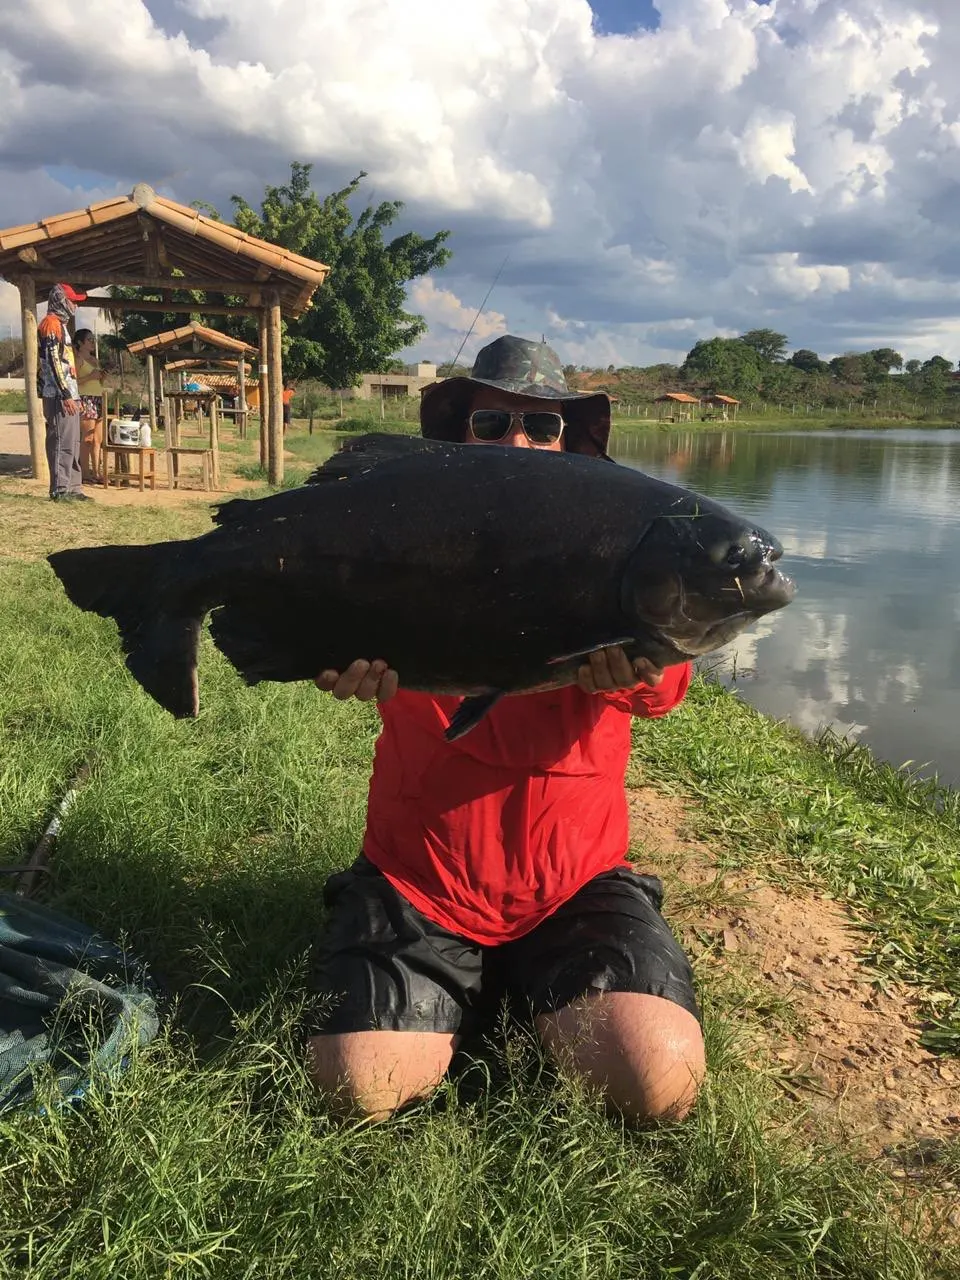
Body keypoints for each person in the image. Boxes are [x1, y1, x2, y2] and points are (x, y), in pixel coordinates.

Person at [305, 336, 704, 1125]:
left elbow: (668, 689)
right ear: (460, 438)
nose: (517, 442)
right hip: (424, 876)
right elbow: (329, 611)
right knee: (357, 1089)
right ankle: (441, 967)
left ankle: (535, 977)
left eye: (541, 426)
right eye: (492, 423)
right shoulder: (406, 532)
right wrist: (324, 650)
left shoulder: (612, 540)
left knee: (661, 1082)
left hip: (574, 878)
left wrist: (640, 668)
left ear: (569, 440)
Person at [38, 284, 91, 501]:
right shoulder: (50, 324)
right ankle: (60, 489)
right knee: (61, 441)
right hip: (58, 396)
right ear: (61, 301)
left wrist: (75, 395)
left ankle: (73, 487)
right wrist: (66, 394)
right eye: (72, 301)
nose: (75, 306)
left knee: (73, 443)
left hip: (70, 394)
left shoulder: (62, 325)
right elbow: (53, 362)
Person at [74, 328, 107, 483]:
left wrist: (101, 377)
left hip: (98, 398)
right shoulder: (78, 359)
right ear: (80, 343)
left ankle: (96, 472)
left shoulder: (95, 360)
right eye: (89, 340)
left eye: (93, 339)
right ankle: (84, 473)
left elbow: (98, 381)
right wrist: (90, 376)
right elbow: (72, 382)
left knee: (98, 439)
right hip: (86, 399)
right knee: (88, 438)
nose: (93, 342)